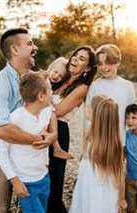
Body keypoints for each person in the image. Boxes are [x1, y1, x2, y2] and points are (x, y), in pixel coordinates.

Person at [0, 28, 56, 213]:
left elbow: (49, 109)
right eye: (30, 43)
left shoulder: (37, 79)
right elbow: (1, 130)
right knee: (1, 207)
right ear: (15, 50)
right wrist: (38, 140)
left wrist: (52, 136)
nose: (36, 47)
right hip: (4, 154)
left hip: (30, 158)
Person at [0, 72, 56, 213]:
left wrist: (51, 136)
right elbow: (1, 150)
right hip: (25, 182)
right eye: (50, 90)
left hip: (43, 177)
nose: (52, 93)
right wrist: (14, 180)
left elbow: (52, 113)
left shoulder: (45, 111)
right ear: (41, 96)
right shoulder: (16, 118)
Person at [47, 46, 97, 213]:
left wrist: (39, 99)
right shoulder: (60, 77)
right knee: (39, 176)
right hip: (42, 126)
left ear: (88, 68)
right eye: (75, 56)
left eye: (82, 59)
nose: (75, 59)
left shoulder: (82, 87)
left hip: (59, 130)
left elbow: (59, 110)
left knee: (54, 183)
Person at [70, 95, 126, 213]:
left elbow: (120, 172)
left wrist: (121, 197)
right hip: (90, 186)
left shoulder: (108, 144)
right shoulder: (93, 135)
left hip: (97, 189)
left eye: (90, 107)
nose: (87, 108)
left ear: (98, 116)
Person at [86, 44, 136, 145]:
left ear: (117, 62)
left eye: (108, 63)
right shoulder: (95, 85)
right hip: (99, 141)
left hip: (119, 140)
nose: (104, 67)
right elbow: (88, 112)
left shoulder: (128, 86)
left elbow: (131, 114)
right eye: (100, 64)